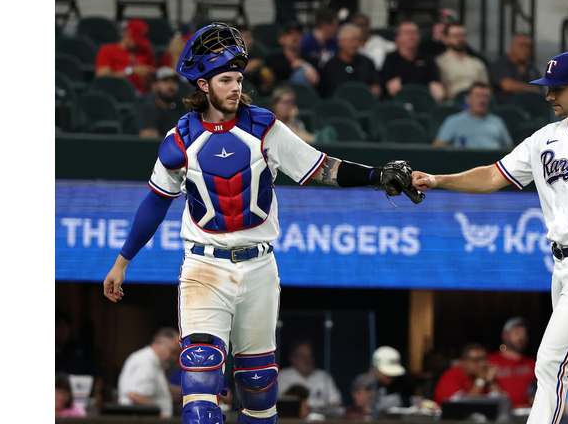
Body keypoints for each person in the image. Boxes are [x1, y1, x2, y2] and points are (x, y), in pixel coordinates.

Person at [102, 22, 416, 424]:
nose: (236, 86)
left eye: (238, 78)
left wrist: (376, 175)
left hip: (260, 267)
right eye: (225, 79)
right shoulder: (178, 139)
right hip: (204, 267)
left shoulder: (266, 127)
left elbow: (323, 168)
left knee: (259, 388)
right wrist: (122, 261)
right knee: (200, 389)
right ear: (203, 85)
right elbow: (155, 203)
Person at [412, 50, 568, 424]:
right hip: (562, 266)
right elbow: (493, 175)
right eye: (548, 87)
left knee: (550, 361)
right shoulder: (544, 139)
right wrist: (438, 180)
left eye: (557, 88)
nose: (549, 95)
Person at [117, 327, 181, 418]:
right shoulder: (146, 361)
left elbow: (152, 388)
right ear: (158, 343)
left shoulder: (153, 362)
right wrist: (161, 413)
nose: (174, 358)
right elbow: (135, 395)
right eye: (172, 351)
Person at [433, 82, 513, 149]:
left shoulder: (497, 122)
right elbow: (438, 147)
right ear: (468, 99)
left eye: (485, 96)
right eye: (477, 96)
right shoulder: (453, 121)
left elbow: (509, 149)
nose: (482, 100)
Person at [380, 21, 445, 103]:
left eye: (414, 33)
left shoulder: (427, 58)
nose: (411, 36)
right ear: (398, 38)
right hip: (400, 101)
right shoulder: (391, 59)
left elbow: (436, 85)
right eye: (407, 33)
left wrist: (437, 97)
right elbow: (393, 88)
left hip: (424, 100)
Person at [317, 23, 382, 98]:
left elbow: (377, 85)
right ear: (340, 42)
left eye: (358, 40)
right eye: (351, 40)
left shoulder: (367, 63)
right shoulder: (330, 66)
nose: (355, 44)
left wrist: (375, 91)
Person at [95, 18, 157, 95]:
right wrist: (131, 71)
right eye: (136, 40)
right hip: (118, 93)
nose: (138, 44)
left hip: (144, 95)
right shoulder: (107, 50)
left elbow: (155, 74)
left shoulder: (146, 52)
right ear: (127, 34)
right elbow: (103, 77)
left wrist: (149, 78)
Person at [277, 341, 343, 410]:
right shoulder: (282, 376)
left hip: (320, 415)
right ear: (293, 359)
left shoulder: (324, 376)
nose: (307, 360)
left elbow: (336, 403)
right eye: (303, 357)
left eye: (310, 356)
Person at [487, 317, 536, 409]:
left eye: (525, 333)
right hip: (499, 413)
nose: (522, 337)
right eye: (517, 333)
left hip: (527, 412)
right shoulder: (489, 360)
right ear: (505, 335)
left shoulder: (533, 363)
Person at [433, 343, 505, 405]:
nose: (482, 364)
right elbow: (460, 406)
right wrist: (480, 380)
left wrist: (491, 382)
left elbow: (502, 404)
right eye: (476, 360)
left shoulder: (486, 376)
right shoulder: (452, 375)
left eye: (484, 359)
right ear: (464, 362)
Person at [434, 22, 489, 101]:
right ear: (446, 39)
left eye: (462, 35)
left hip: (475, 103)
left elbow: (486, 88)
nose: (459, 39)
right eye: (455, 36)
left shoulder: (477, 63)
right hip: (451, 102)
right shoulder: (439, 62)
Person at [134, 66, 189, 138]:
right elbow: (149, 139)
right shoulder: (147, 107)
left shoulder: (181, 106)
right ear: (154, 85)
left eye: (173, 82)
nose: (170, 86)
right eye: (165, 82)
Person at [490, 33, 542, 104]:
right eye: (521, 45)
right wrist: (531, 89)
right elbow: (507, 86)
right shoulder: (501, 64)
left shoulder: (532, 69)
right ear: (511, 46)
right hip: (507, 106)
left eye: (528, 46)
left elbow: (540, 90)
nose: (525, 49)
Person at [266, 22, 320, 86]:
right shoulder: (273, 59)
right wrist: (304, 66)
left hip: (306, 91)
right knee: (300, 74)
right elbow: (280, 71)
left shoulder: (310, 59)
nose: (294, 36)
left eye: (298, 32)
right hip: (281, 90)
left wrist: (304, 65)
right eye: (289, 33)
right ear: (280, 39)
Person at [369, 346, 418, 414]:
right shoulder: (366, 386)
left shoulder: (404, 385)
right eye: (386, 373)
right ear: (375, 368)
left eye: (393, 374)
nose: (391, 377)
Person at [239, 28, 276, 97]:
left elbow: (261, 89)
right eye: (246, 38)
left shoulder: (255, 56)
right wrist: (245, 68)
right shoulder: (225, 57)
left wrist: (267, 82)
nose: (251, 41)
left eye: (251, 37)